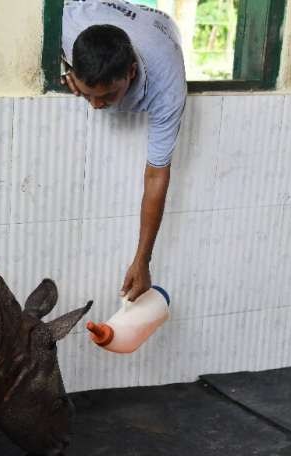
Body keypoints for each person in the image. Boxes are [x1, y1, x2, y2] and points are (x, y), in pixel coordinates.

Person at [61, 0, 187, 302]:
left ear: (131, 72)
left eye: (107, 95)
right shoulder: (68, 24)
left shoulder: (167, 86)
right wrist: (62, 67)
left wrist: (142, 260)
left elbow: (157, 174)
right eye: (88, 94)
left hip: (161, 28)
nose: (96, 105)